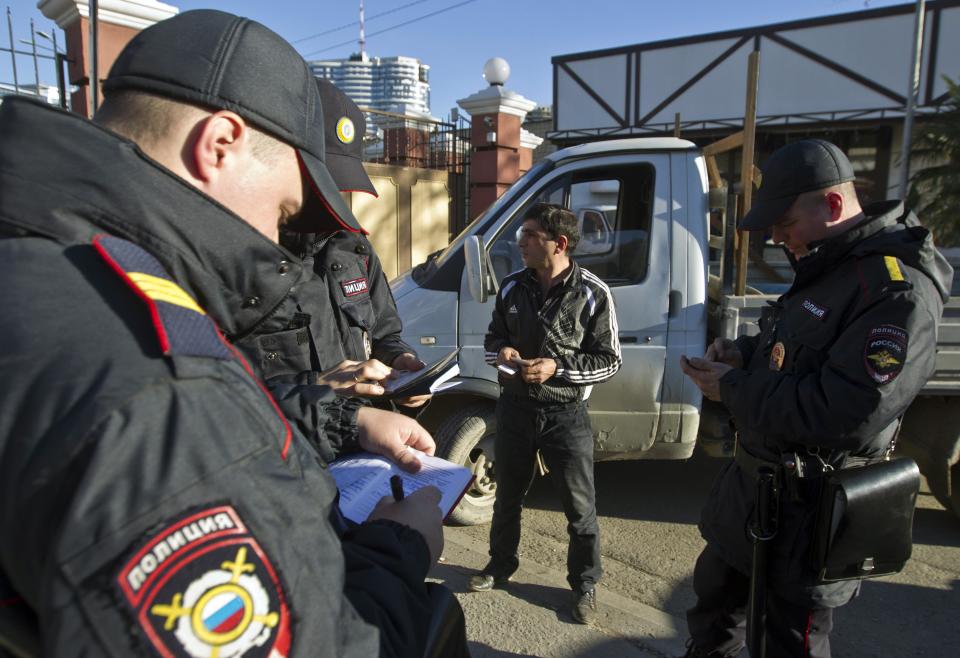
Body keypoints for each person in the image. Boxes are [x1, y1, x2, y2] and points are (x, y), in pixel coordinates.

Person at [0, 10, 447, 657]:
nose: (277, 238)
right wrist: (401, 550)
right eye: (285, 210)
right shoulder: (163, 389)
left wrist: (346, 422)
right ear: (219, 143)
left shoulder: (43, 263)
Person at [680, 139, 953, 658]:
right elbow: (789, 345)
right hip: (753, 497)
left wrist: (731, 386)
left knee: (789, 643)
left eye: (785, 225)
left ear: (831, 205)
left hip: (809, 514)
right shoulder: (829, 266)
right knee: (714, 616)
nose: (780, 240)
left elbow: (843, 411)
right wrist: (741, 354)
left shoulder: (894, 291)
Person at [469, 202, 622, 624]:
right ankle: (500, 567)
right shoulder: (512, 287)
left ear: (559, 244)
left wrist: (558, 368)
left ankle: (585, 585)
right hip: (515, 409)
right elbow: (491, 339)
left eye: (530, 234)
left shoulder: (593, 292)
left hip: (565, 415)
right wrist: (502, 351)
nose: (520, 241)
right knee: (507, 499)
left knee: (580, 510)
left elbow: (610, 361)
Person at [238, 79, 428, 411]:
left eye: (342, 184)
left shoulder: (355, 250)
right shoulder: (239, 261)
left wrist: (400, 363)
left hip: (363, 446)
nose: (335, 199)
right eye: (324, 182)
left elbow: (384, 334)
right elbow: (222, 396)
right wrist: (317, 388)